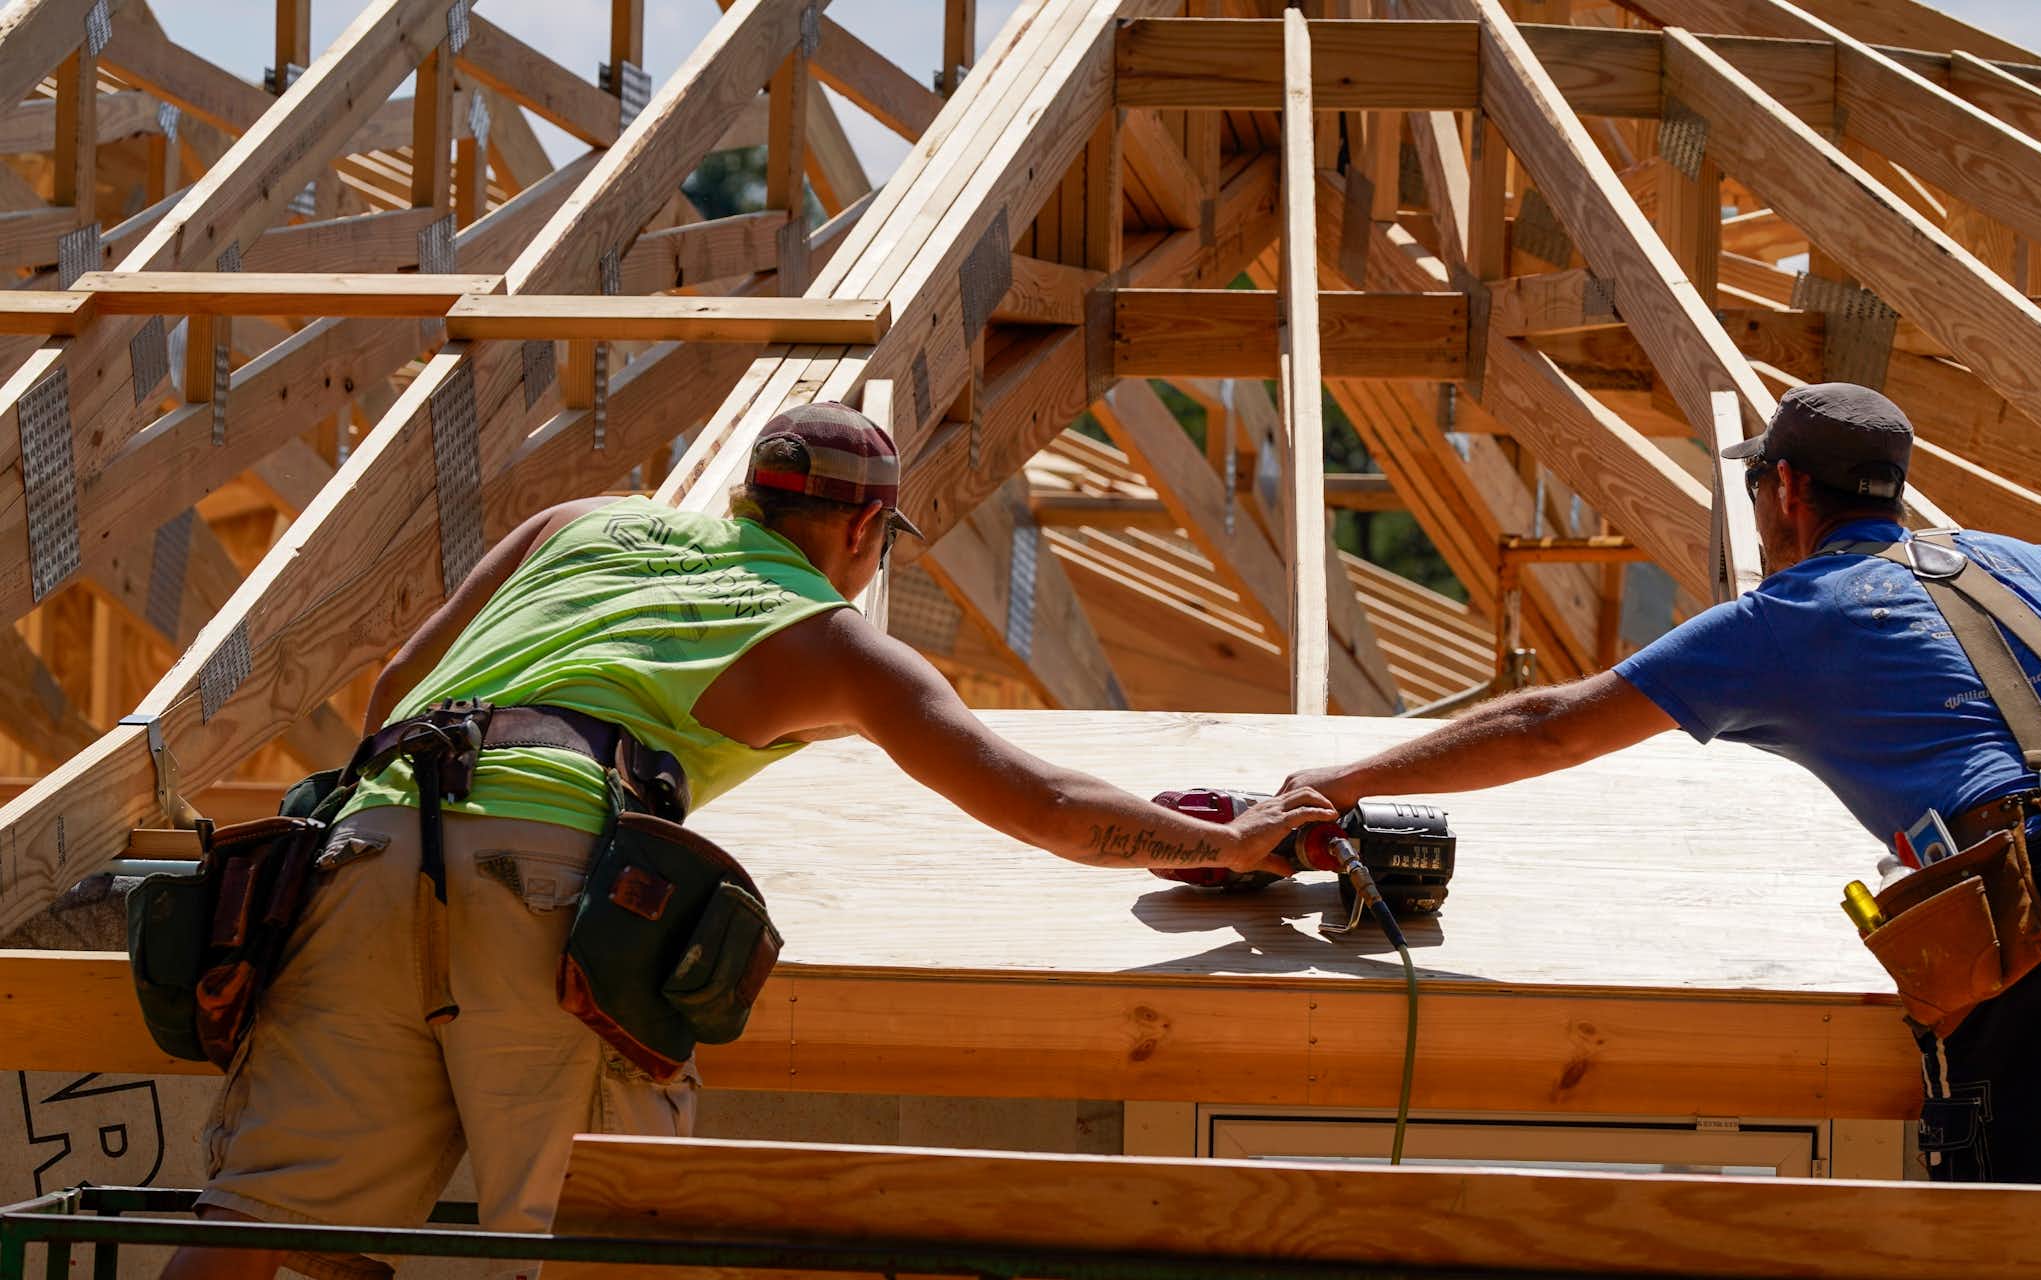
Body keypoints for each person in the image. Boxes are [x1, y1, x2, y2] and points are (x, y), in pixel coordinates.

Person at [168, 404, 1331, 1280]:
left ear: (747, 493)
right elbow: (1032, 794)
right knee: (609, 1235)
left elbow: (391, 686)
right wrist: (1225, 846)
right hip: (556, 874)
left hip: (366, 847)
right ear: (867, 525)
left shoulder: (576, 525)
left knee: (268, 1213)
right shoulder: (824, 636)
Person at [1277, 383, 2041, 1189]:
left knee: (2020, 1245)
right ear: (1891, 488)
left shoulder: (1790, 617)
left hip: (2027, 922)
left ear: (1786, 493)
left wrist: (1338, 781)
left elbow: (1543, 727)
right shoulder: (2035, 564)